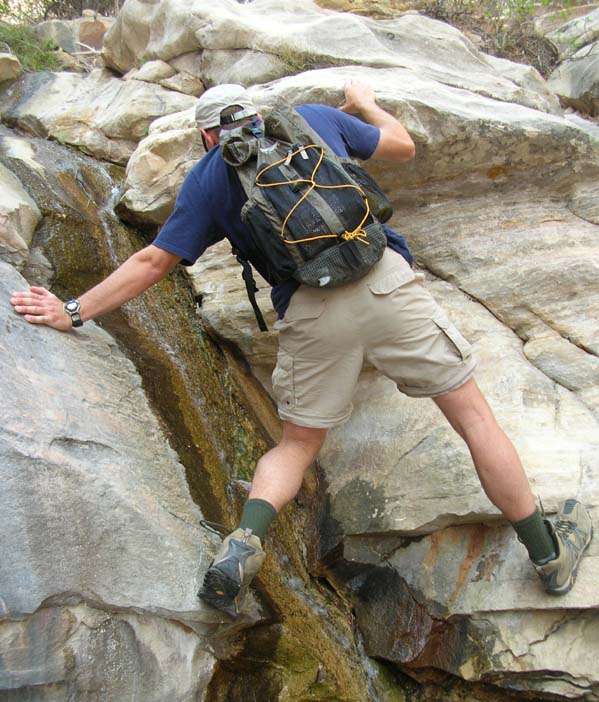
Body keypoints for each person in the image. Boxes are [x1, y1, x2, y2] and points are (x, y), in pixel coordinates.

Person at [10, 81, 592, 618]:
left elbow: (153, 261)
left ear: (208, 135)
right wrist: (363, 105)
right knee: (473, 421)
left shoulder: (210, 176)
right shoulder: (311, 120)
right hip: (387, 284)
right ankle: (548, 556)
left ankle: (242, 544)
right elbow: (402, 147)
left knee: (296, 444)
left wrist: (71, 311)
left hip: (314, 313)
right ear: (259, 116)